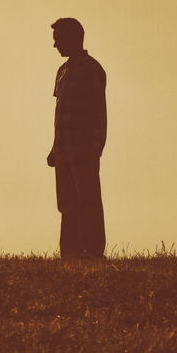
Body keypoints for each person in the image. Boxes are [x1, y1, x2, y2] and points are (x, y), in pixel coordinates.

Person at [47, 18, 107, 259]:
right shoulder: (62, 71)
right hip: (63, 147)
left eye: (59, 39)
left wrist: (85, 145)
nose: (55, 45)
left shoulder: (91, 68)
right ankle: (70, 255)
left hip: (82, 146)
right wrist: (54, 148)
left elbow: (94, 108)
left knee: (87, 200)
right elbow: (61, 111)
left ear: (74, 38)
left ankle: (92, 252)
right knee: (67, 205)